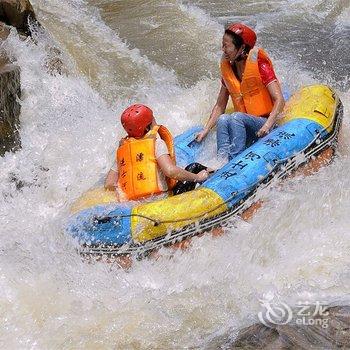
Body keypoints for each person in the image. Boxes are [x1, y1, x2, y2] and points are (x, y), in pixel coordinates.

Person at [196, 23, 285, 160]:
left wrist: (267, 126)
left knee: (236, 117)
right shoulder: (229, 70)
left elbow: (279, 100)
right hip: (243, 123)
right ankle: (221, 161)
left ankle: (235, 158)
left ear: (242, 47)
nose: (223, 49)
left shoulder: (260, 66)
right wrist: (206, 129)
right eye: (222, 45)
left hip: (264, 123)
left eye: (227, 46)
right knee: (224, 118)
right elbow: (220, 105)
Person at [105, 104, 209, 201]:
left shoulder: (123, 150)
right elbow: (171, 171)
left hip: (133, 204)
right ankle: (213, 172)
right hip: (159, 200)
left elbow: (109, 183)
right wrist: (197, 177)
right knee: (194, 167)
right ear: (148, 126)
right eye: (152, 119)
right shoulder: (156, 143)